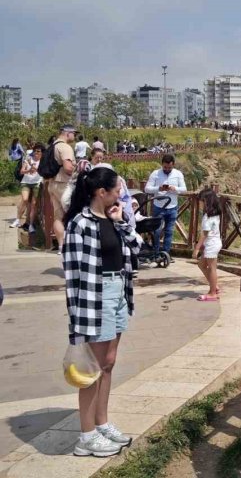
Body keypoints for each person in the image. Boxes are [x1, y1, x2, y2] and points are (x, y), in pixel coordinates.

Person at [63, 166, 141, 457]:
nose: (121, 193)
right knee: (92, 369)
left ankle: (101, 422)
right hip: (95, 297)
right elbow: (73, 274)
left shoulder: (112, 217)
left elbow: (136, 249)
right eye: (117, 189)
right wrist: (78, 317)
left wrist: (122, 223)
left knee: (108, 363)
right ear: (101, 192)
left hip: (118, 290)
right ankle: (86, 436)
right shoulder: (80, 225)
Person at [143, 154, 187, 257]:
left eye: (169, 168)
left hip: (172, 206)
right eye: (165, 167)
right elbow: (147, 189)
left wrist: (174, 188)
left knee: (169, 231)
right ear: (162, 164)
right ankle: (156, 252)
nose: (167, 169)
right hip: (159, 206)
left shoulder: (178, 174)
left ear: (173, 165)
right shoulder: (155, 173)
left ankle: (166, 254)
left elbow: (184, 189)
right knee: (156, 231)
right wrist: (159, 188)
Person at [45, 124, 77, 251]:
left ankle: (61, 246)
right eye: (74, 133)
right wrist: (78, 169)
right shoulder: (65, 147)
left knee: (57, 216)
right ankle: (71, 245)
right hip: (64, 185)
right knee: (72, 213)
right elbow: (68, 168)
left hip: (52, 184)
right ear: (67, 133)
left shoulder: (52, 146)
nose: (74, 135)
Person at [193, 189, 222, 301]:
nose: (199, 203)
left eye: (200, 201)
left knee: (212, 268)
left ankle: (212, 293)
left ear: (206, 201)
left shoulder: (207, 217)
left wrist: (197, 248)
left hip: (211, 245)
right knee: (201, 264)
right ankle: (214, 286)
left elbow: (204, 234)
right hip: (214, 243)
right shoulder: (214, 214)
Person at [14, 145, 43, 232]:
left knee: (33, 204)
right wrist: (29, 168)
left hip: (36, 184)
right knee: (25, 200)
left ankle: (30, 224)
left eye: (38, 151)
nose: (36, 153)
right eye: (35, 151)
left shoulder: (43, 162)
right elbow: (22, 171)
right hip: (26, 182)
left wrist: (31, 166)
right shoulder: (28, 159)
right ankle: (20, 220)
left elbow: (41, 171)